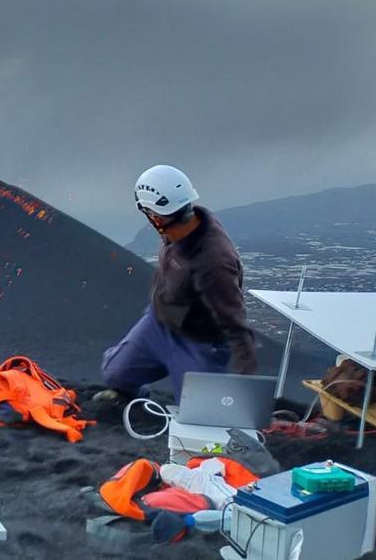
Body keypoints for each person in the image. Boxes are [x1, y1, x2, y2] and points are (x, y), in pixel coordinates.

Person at [95, 165, 257, 402]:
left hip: (201, 343)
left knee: (198, 413)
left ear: (155, 215)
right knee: (115, 375)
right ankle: (132, 395)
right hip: (159, 324)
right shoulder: (177, 226)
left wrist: (247, 391)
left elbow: (235, 323)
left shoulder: (214, 261)